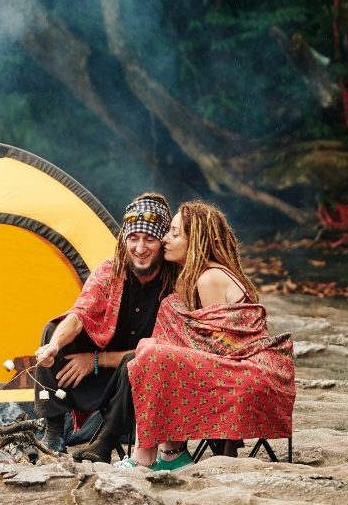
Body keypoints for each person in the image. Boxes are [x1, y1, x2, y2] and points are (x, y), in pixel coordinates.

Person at [116, 199, 295, 471]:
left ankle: (149, 457)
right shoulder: (198, 277)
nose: (165, 239)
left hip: (248, 372)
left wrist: (158, 351)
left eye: (175, 233)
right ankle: (170, 453)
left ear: (196, 240)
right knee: (155, 343)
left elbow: (216, 347)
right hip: (236, 367)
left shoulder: (209, 278)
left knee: (154, 353)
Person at [34, 192, 177, 456]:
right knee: (53, 329)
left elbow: (165, 348)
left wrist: (95, 360)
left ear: (162, 242)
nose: (140, 248)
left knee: (138, 357)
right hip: (96, 381)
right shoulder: (110, 271)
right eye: (133, 238)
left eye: (149, 239)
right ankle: (53, 432)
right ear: (125, 241)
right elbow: (79, 314)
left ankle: (104, 439)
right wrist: (53, 346)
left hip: (142, 379)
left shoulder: (176, 282)